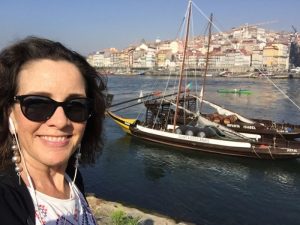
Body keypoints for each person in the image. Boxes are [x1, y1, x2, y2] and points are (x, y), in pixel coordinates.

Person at [0, 36, 106, 225]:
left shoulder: (72, 178)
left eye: (76, 106)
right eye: (37, 104)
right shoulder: (5, 200)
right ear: (10, 115)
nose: (61, 121)